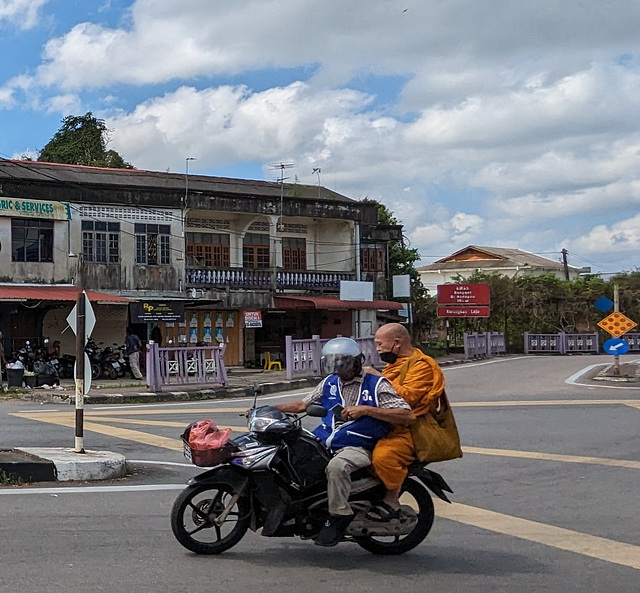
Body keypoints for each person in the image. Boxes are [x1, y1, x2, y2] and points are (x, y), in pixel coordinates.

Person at [275, 337, 415, 547]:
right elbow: (303, 405)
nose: (338, 369)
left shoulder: (376, 384)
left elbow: (407, 415)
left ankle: (339, 516)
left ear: (357, 362)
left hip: (359, 445)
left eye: (343, 363)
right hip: (325, 440)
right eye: (333, 364)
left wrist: (366, 410)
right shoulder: (329, 383)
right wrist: (271, 410)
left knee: (337, 467)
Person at [364, 323, 445, 521]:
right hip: (383, 423)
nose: (378, 349)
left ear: (397, 343)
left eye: (380, 344)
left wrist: (379, 378)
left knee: (384, 457)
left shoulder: (421, 365)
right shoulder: (395, 364)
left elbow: (408, 397)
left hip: (409, 428)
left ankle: (391, 499)